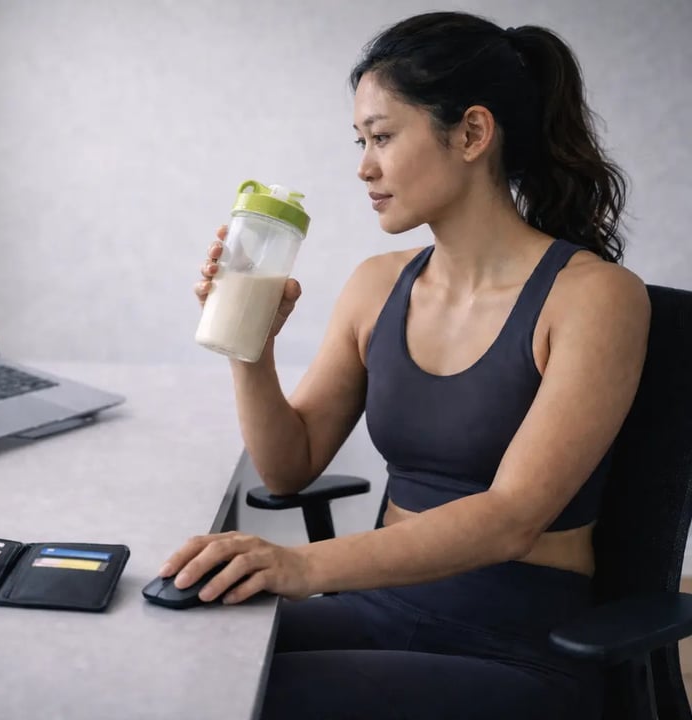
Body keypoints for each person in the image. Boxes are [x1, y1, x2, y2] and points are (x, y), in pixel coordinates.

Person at [158, 10, 650, 720]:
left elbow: (511, 518)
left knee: (240, 700)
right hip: (381, 608)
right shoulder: (377, 284)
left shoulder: (595, 298)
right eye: (360, 141)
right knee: (180, 657)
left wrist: (303, 566)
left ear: (473, 133)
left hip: (518, 646)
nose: (363, 166)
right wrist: (250, 345)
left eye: (383, 136)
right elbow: (287, 467)